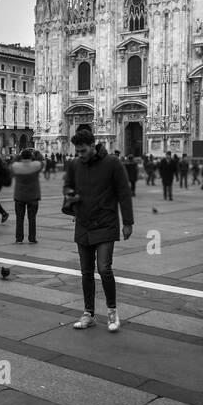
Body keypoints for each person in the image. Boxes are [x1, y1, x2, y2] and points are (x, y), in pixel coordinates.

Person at [64, 129, 134, 332]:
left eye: (83, 150)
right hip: (84, 224)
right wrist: (72, 206)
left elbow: (124, 192)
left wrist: (127, 222)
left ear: (93, 146)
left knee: (104, 268)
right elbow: (69, 187)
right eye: (77, 151)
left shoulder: (112, 163)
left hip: (105, 222)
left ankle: (112, 311)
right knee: (86, 272)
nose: (80, 155)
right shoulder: (75, 164)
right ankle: (89, 314)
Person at [10, 148, 44, 243]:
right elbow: (41, 160)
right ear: (31, 157)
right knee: (32, 219)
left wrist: (18, 156)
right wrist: (37, 153)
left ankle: (19, 238)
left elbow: (11, 163)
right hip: (33, 196)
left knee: (19, 219)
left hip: (19, 196)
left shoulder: (16, 166)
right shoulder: (36, 165)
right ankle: (32, 238)